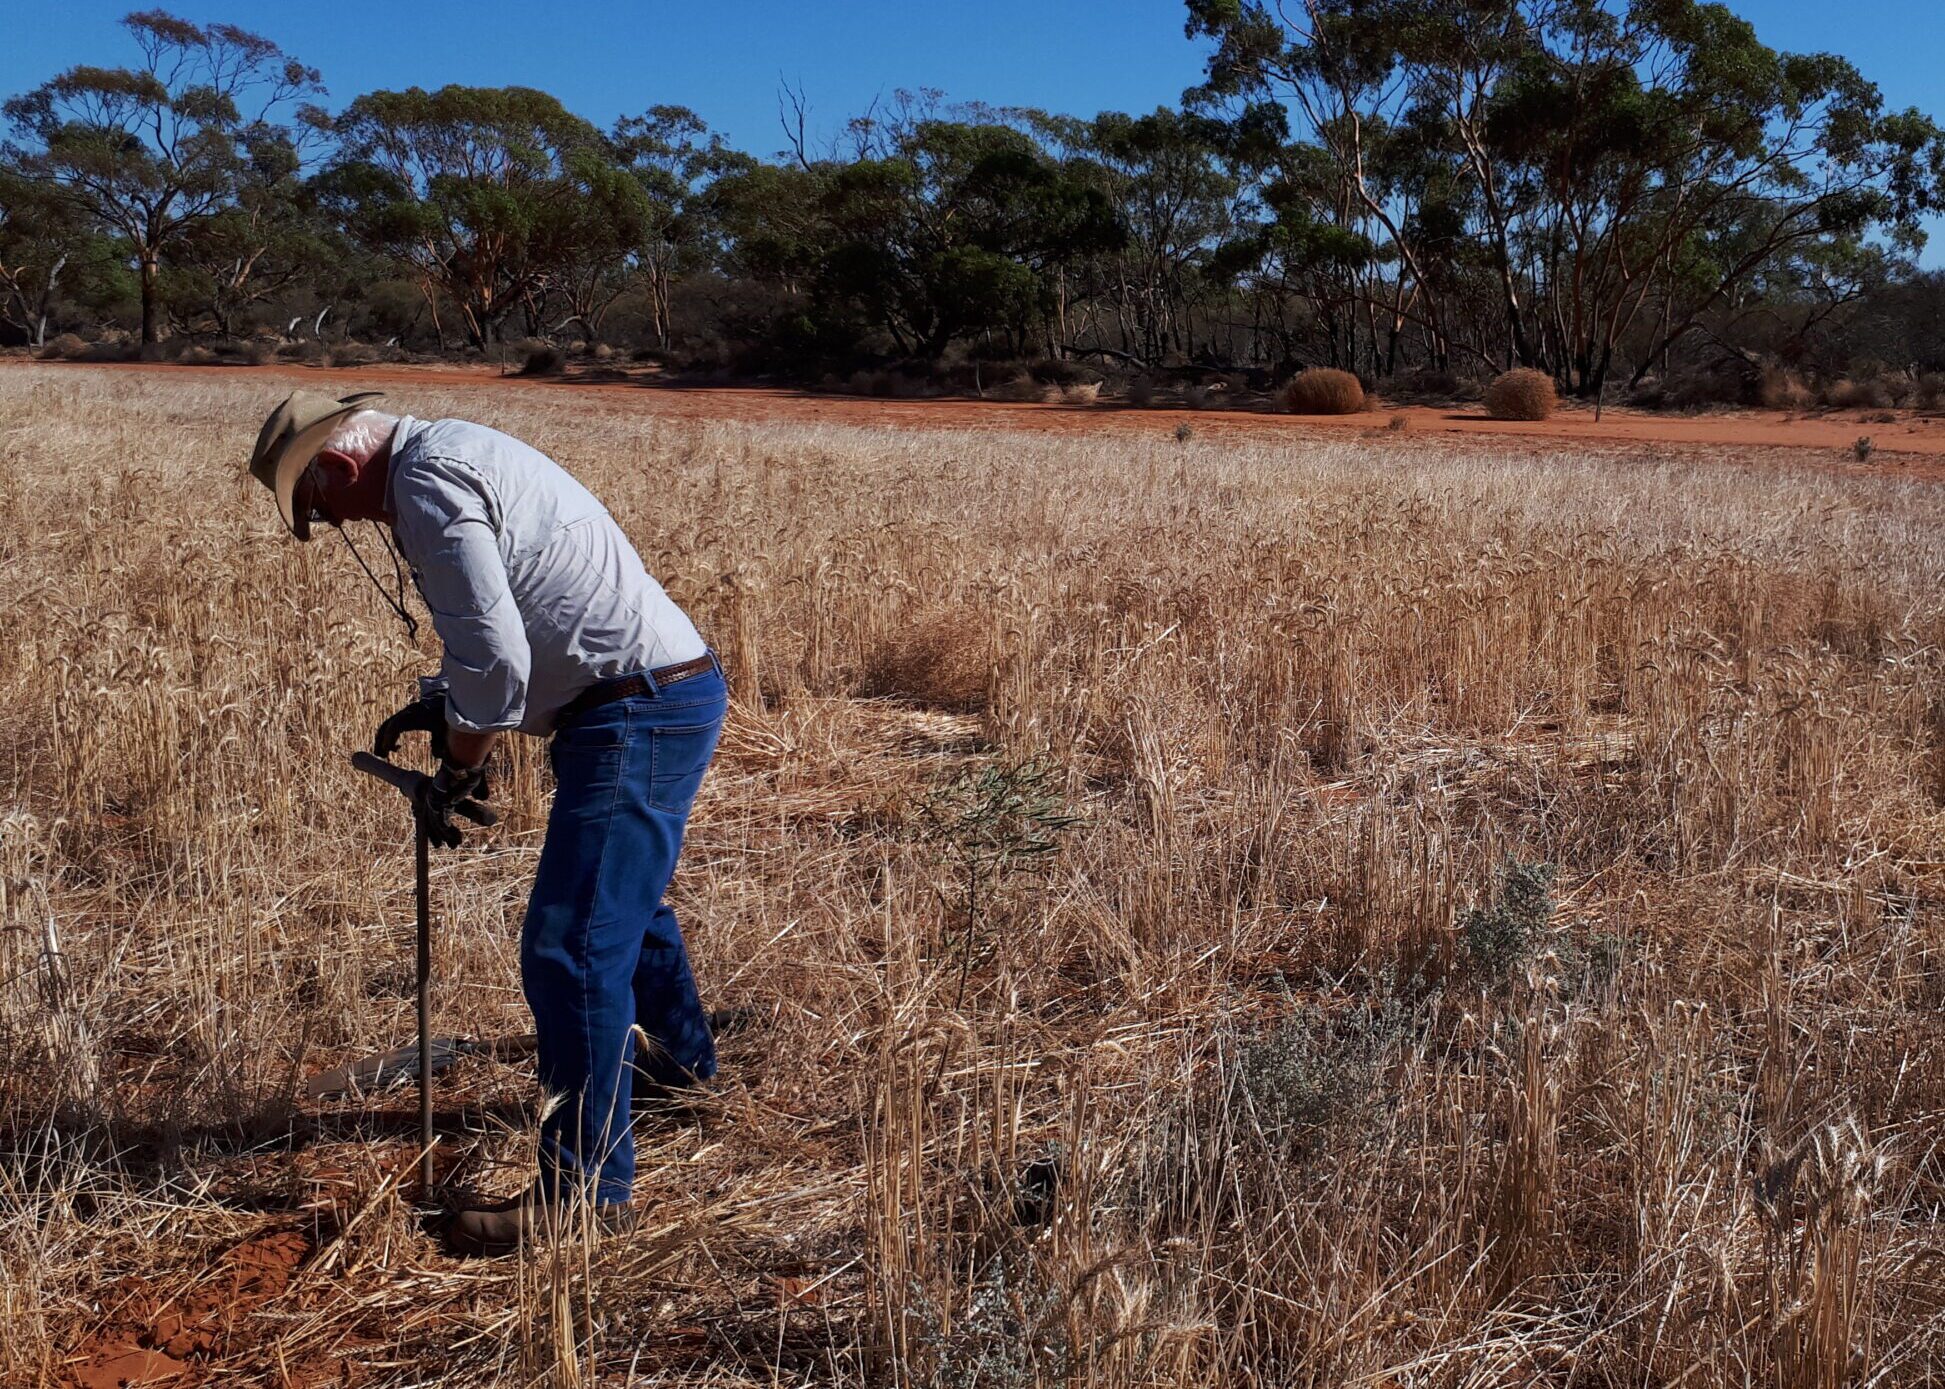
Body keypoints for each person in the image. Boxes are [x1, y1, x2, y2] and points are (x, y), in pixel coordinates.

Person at [247, 389, 727, 1256]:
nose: (330, 525)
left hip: (639, 708)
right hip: (641, 697)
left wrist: (460, 765)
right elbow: (501, 629)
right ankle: (684, 1072)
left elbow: (496, 657)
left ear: (342, 466)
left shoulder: (426, 487)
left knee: (571, 942)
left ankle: (586, 1193)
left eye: (319, 504)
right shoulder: (448, 452)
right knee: (622, 906)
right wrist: (445, 705)